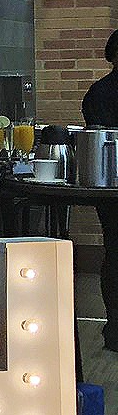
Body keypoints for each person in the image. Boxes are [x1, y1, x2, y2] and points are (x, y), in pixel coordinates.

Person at [84, 29, 118, 350]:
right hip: (111, 187)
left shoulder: (98, 92)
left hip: (110, 185)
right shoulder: (100, 94)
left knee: (115, 253)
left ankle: (115, 329)